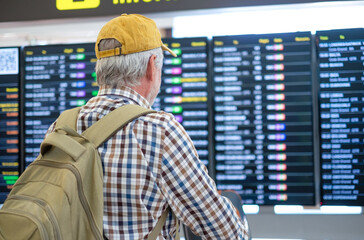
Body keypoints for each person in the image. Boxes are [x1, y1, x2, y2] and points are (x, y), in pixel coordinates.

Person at [47, 13, 250, 239]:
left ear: (100, 70)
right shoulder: (159, 130)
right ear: (152, 68)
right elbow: (227, 233)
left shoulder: (61, 126)